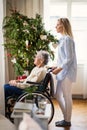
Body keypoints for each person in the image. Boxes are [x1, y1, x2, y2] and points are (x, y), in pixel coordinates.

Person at [52, 18, 77, 127]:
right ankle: (65, 117)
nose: (55, 26)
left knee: (67, 96)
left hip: (67, 72)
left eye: (57, 25)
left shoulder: (67, 39)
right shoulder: (62, 39)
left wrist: (59, 68)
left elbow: (69, 58)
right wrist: (56, 66)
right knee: (57, 95)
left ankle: (67, 120)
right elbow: (62, 58)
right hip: (62, 71)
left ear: (63, 26)